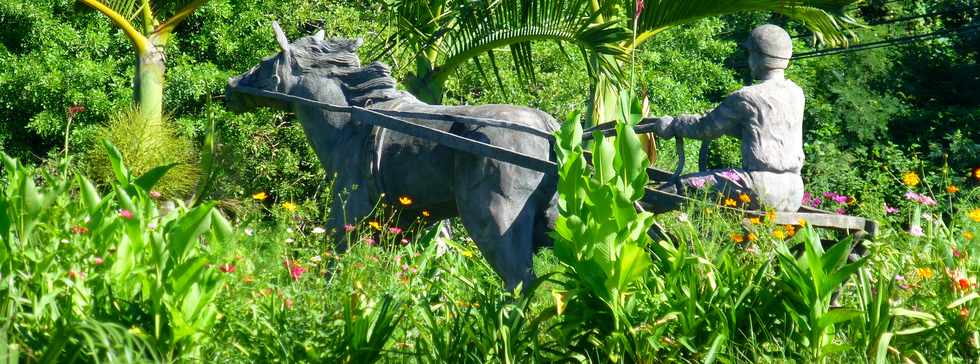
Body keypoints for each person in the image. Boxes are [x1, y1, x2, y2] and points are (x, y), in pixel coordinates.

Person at [641, 24, 805, 211]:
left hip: (758, 186)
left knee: (678, 188)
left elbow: (705, 128)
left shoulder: (747, 96)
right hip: (793, 191)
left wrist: (673, 124)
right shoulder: (796, 94)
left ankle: (632, 220)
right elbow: (766, 132)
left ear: (757, 57)